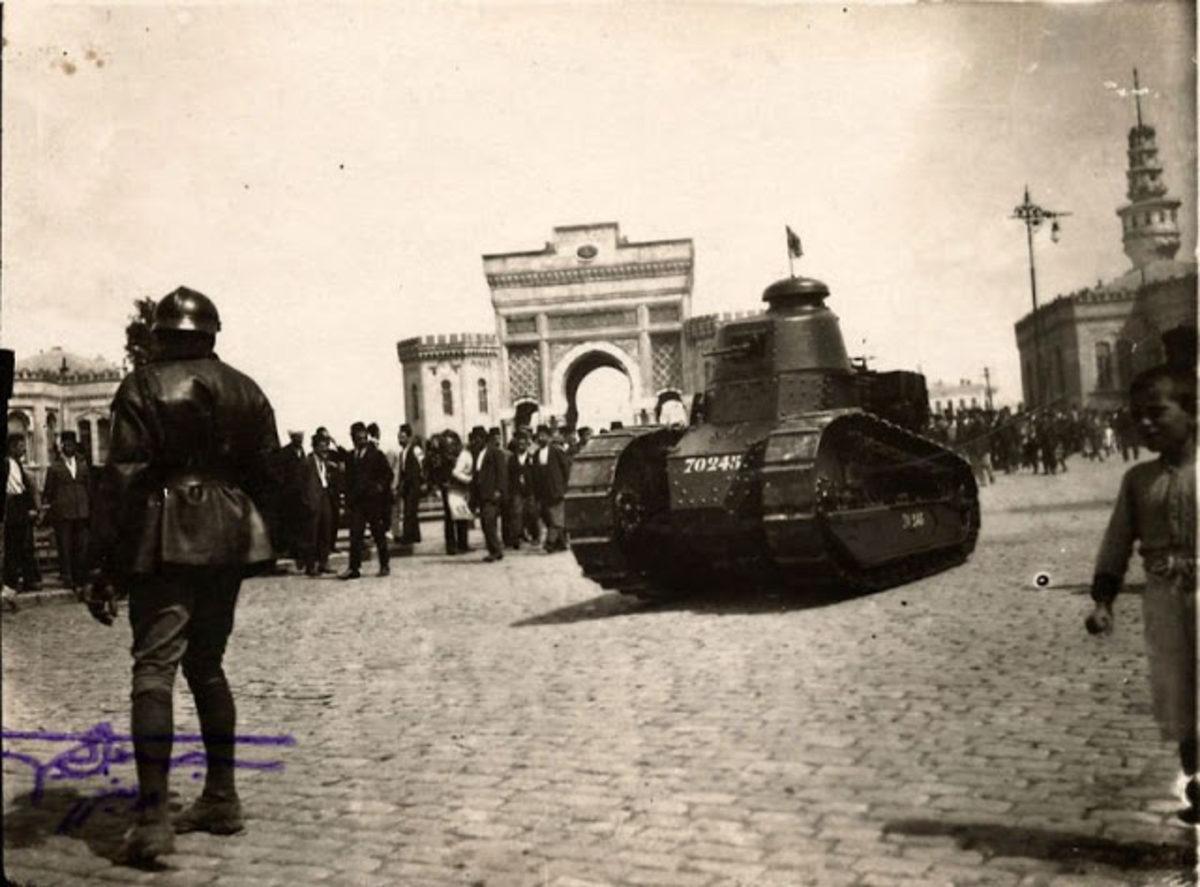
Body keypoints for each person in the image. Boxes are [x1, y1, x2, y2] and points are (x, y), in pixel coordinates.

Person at [84, 286, 279, 862]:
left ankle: (151, 819)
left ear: (161, 335)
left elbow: (122, 479)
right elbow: (269, 469)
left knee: (154, 667)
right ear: (212, 333)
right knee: (207, 665)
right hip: (230, 539)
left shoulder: (143, 384)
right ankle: (221, 797)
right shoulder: (246, 387)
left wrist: (102, 563)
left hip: (165, 537)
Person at [1085, 363, 1197, 825]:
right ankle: (1196, 786)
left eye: (1157, 412)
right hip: (1163, 602)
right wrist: (1103, 599)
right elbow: (1117, 541)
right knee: (1180, 699)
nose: (1145, 423)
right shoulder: (1137, 481)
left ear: (1193, 412)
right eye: (1138, 416)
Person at [335, 421, 392, 579]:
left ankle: (384, 565)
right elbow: (347, 479)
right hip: (357, 503)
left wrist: (379, 487)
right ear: (353, 438)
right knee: (355, 536)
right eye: (358, 438)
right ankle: (354, 568)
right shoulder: (351, 456)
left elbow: (387, 474)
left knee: (378, 534)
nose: (362, 441)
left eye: (364, 437)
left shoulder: (376, 454)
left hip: (373, 502)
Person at [42, 431, 92, 595]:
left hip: (81, 511)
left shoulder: (83, 464)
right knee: (65, 545)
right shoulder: (54, 467)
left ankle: (81, 576)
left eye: (72, 444)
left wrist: (89, 507)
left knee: (82, 545)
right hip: (63, 512)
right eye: (66, 444)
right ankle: (67, 576)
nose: (69, 447)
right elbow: (48, 491)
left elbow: (89, 487)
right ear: (62, 446)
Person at [4, 436, 42, 592]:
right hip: (11, 507)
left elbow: (24, 488)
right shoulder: (6, 464)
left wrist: (31, 508)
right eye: (20, 446)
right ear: (12, 447)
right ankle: (11, 582)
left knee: (26, 545)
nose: (24, 449)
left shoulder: (18, 464)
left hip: (20, 506)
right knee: (12, 547)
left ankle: (29, 580)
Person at [297, 432, 336, 576]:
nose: (325, 450)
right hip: (312, 501)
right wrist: (306, 502)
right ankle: (310, 565)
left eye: (327, 446)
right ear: (315, 447)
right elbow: (300, 485)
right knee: (312, 534)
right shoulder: (307, 462)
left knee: (326, 531)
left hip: (325, 498)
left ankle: (323, 563)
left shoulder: (325, 462)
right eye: (322, 447)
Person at [532, 424, 571, 552]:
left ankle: (550, 542)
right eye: (539, 436)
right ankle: (561, 543)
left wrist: (565, 487)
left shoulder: (557, 451)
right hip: (543, 492)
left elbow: (566, 469)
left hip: (556, 490)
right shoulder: (536, 454)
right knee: (548, 517)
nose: (541, 438)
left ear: (549, 437)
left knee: (556, 517)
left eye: (544, 436)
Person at [472, 427, 508, 562]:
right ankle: (495, 550)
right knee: (485, 523)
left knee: (489, 522)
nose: (476, 441)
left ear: (484, 439)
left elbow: (502, 473)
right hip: (481, 495)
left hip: (492, 494)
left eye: (479, 438)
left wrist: (499, 490)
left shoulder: (495, 453)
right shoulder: (477, 455)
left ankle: (495, 550)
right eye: (475, 438)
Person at [392, 424, 424, 553]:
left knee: (410, 510)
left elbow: (422, 464)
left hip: (414, 484)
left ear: (409, 437)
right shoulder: (401, 453)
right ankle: (415, 536)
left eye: (403, 437)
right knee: (409, 510)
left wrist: (422, 481)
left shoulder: (415, 450)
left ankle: (408, 537)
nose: (400, 439)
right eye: (399, 437)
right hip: (406, 485)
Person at [447, 430, 474, 553]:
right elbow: (455, 472)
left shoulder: (463, 455)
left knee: (461, 516)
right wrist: (468, 479)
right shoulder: (463, 455)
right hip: (457, 488)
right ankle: (461, 544)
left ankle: (462, 544)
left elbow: (455, 472)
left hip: (459, 488)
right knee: (459, 516)